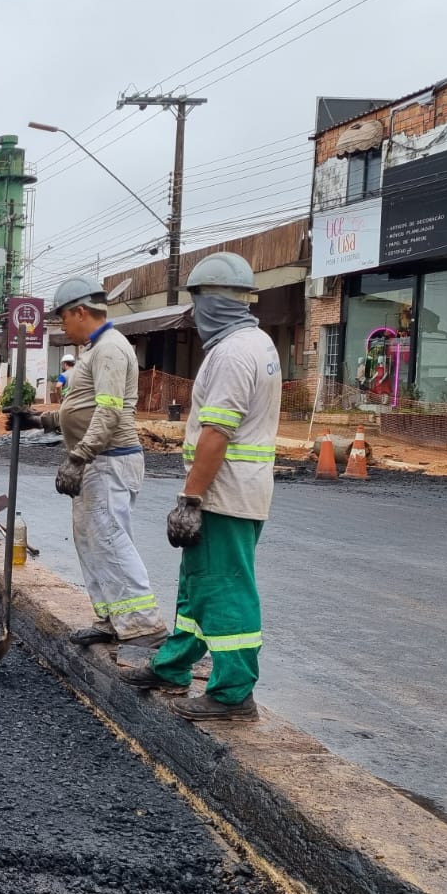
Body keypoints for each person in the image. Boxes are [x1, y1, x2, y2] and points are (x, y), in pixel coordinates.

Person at [118, 253, 281, 722]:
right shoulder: (258, 343)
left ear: (212, 301)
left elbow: (217, 433)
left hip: (224, 495)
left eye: (197, 301)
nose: (195, 313)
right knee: (197, 587)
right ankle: (173, 665)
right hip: (238, 491)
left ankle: (232, 693)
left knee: (226, 589)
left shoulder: (231, 354)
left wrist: (190, 498)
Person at [13, 275, 166, 648]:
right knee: (92, 540)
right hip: (99, 461)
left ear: (81, 311)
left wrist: (79, 457)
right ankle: (114, 618)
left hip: (108, 460)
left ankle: (143, 625)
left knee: (110, 538)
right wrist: (40, 420)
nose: (62, 326)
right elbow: (81, 407)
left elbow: (108, 412)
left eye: (63, 317)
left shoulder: (110, 349)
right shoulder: (95, 350)